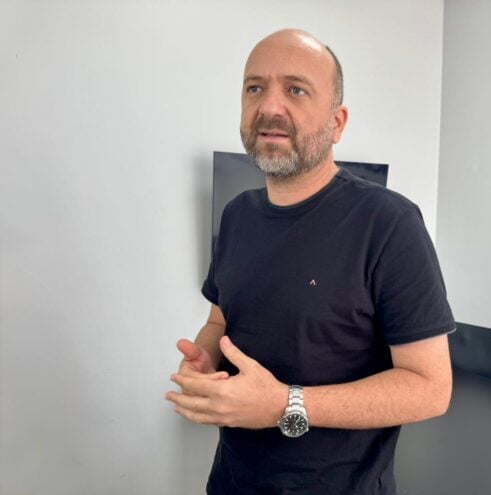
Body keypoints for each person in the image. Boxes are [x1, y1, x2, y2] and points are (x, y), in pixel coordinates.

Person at [166, 28, 455, 495]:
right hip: (231, 482)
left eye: (296, 90)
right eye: (254, 88)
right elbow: (220, 321)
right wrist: (206, 358)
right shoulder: (237, 215)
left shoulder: (389, 223)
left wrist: (286, 404)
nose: (270, 106)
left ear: (337, 123)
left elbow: (430, 388)